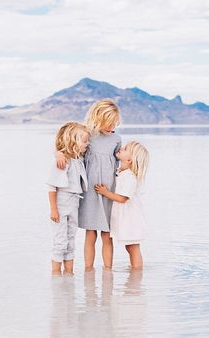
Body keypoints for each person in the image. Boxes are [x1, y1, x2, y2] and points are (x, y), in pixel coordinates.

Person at [57, 99, 121, 270]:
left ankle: (108, 271)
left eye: (115, 123)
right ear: (98, 118)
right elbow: (68, 146)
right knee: (90, 233)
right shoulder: (87, 135)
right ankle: (88, 271)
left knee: (107, 234)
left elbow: (121, 163)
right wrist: (58, 154)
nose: (112, 127)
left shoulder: (116, 138)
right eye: (109, 123)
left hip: (108, 191)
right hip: (90, 191)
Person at [94, 141, 149, 270]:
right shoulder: (120, 172)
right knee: (129, 246)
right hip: (124, 217)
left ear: (130, 160)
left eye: (125, 149)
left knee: (132, 246)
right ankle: (134, 270)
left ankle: (137, 272)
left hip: (130, 218)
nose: (121, 148)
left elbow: (123, 198)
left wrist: (105, 193)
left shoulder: (130, 177)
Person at [47, 122, 90, 275]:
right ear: (73, 141)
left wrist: (57, 152)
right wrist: (54, 210)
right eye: (84, 141)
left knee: (71, 239)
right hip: (61, 203)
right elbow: (52, 187)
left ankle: (69, 275)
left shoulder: (78, 159)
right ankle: (56, 275)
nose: (87, 144)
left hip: (74, 202)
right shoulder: (62, 161)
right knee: (60, 241)